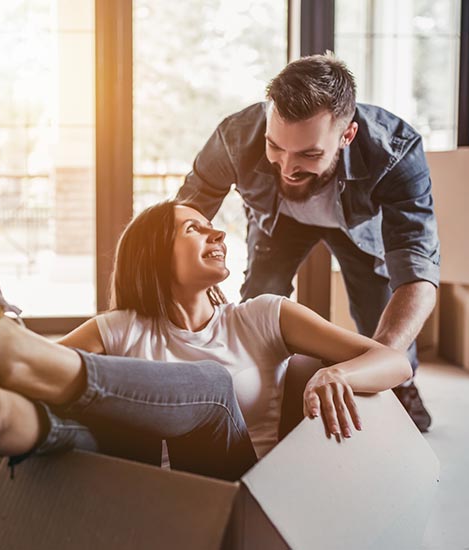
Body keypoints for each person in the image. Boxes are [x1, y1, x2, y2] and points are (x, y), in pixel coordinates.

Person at [0, 198, 411, 506]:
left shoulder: (264, 315)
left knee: (212, 387)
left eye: (211, 225)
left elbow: (391, 361)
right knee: (81, 420)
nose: (216, 231)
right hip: (132, 497)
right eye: (193, 227)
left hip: (235, 499)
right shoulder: (118, 328)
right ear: (155, 256)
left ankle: (8, 340)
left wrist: (337, 374)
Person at [176, 53, 439, 431]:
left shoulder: (396, 150)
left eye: (309, 154)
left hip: (356, 229)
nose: (286, 167)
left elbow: (418, 271)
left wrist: (380, 365)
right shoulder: (234, 137)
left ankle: (405, 386)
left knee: (377, 314)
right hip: (278, 221)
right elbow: (182, 217)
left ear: (347, 134)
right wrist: (193, 279)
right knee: (259, 299)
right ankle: (258, 392)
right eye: (275, 147)